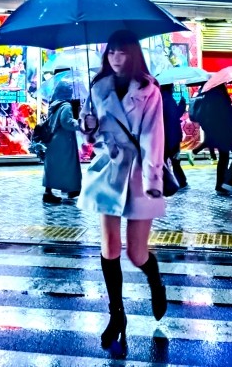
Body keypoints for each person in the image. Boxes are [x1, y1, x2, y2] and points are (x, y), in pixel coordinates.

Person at [80, 30, 166, 358]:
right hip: (109, 170)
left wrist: (153, 178)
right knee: (110, 246)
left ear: (133, 54)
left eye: (122, 52)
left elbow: (153, 136)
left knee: (136, 254)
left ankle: (155, 279)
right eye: (111, 52)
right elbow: (91, 133)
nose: (116, 58)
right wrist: (87, 126)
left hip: (141, 171)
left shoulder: (148, 89)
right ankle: (117, 316)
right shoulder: (97, 87)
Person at [191, 84, 232, 197]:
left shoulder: (206, 95)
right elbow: (228, 113)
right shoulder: (219, 95)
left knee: (223, 157)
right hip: (227, 132)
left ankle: (220, 186)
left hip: (216, 132)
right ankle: (230, 182)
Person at [42, 80, 82, 204]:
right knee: (67, 167)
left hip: (53, 140)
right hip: (63, 142)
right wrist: (79, 122)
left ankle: (50, 191)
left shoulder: (54, 105)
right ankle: (71, 189)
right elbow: (66, 123)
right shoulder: (66, 106)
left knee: (53, 167)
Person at [160, 84, 188, 190]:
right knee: (175, 159)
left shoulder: (160, 98)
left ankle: (174, 180)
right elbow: (175, 115)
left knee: (165, 159)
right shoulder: (168, 99)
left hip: (164, 135)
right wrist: (182, 104)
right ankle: (181, 181)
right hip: (172, 135)